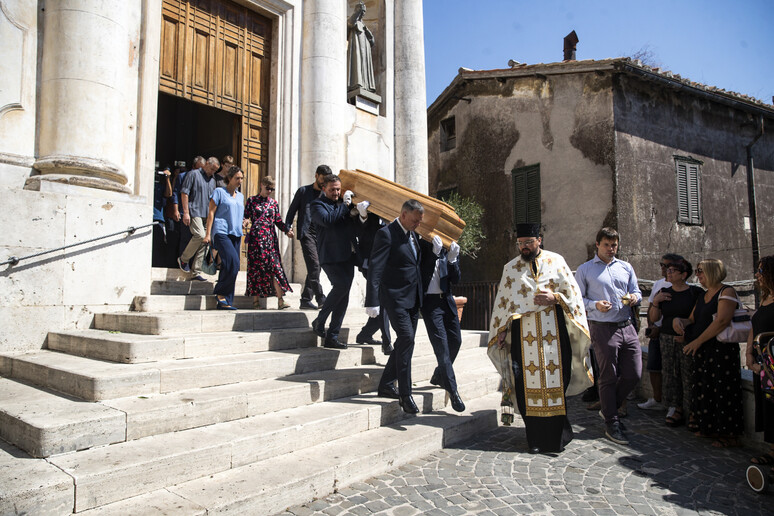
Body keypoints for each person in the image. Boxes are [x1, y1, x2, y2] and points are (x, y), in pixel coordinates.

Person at [487, 224, 592, 453]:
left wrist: (555, 297)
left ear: (539, 240)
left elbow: (573, 296)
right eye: (520, 243)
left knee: (558, 382)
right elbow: (503, 304)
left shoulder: (557, 261)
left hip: (554, 335)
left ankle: (557, 437)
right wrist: (501, 330)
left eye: (528, 242)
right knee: (525, 388)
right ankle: (534, 439)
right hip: (523, 336)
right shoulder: (511, 269)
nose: (524, 247)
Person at [575, 227, 642, 445]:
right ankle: (612, 422)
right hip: (602, 327)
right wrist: (595, 305)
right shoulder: (585, 270)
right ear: (597, 245)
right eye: (606, 244)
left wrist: (633, 297)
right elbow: (577, 300)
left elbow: (638, 292)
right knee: (608, 375)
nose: (611, 249)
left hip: (627, 325)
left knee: (634, 374)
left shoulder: (626, 267)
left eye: (614, 245)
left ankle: (608, 407)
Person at [674, 258, 743, 447]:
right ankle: (709, 427)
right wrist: (680, 322)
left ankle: (728, 434)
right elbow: (692, 318)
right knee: (705, 389)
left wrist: (698, 341)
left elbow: (721, 321)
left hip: (720, 350)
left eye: (701, 271)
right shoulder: (703, 296)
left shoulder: (726, 291)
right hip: (704, 350)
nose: (698, 275)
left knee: (723, 391)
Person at [366, 200, 425, 415]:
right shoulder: (386, 234)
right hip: (394, 298)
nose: (419, 223)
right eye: (416, 219)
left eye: (420, 220)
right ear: (404, 214)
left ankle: (385, 384)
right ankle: (405, 394)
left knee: (404, 341)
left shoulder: (412, 235)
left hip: (412, 299)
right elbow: (375, 268)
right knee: (407, 339)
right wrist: (372, 300)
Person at [648, 259, 702, 428]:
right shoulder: (664, 292)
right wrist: (656, 302)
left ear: (684, 275)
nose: (668, 273)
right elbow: (654, 318)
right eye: (668, 270)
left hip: (687, 339)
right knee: (671, 373)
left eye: (673, 270)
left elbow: (700, 317)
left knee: (689, 373)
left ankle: (693, 410)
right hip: (667, 338)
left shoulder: (695, 293)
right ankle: (676, 408)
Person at [310, 174, 360, 349]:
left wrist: (359, 214)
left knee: (344, 295)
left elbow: (351, 226)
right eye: (332, 189)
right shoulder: (316, 205)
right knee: (340, 287)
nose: (336, 193)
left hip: (347, 255)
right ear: (324, 188)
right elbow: (328, 221)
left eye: (338, 189)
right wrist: (346, 206)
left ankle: (332, 336)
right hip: (330, 255)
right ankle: (319, 320)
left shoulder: (342, 204)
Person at [419, 235, 465, 413]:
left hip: (447, 301)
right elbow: (422, 274)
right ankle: (453, 391)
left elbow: (456, 279)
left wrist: (453, 259)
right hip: (430, 304)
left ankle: (439, 375)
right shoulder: (423, 246)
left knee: (456, 341)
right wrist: (433, 254)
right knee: (442, 348)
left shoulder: (446, 249)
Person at [639, 253, 685, 411]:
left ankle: (674, 404)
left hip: (670, 333)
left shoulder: (686, 290)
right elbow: (652, 305)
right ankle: (657, 398)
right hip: (656, 333)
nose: (664, 269)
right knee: (653, 366)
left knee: (672, 370)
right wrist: (651, 326)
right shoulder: (658, 284)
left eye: (668, 266)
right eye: (663, 265)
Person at [244, 176, 294, 310]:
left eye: (272, 189)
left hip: (270, 240)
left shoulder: (273, 203)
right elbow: (246, 216)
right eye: (268, 188)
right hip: (256, 240)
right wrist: (246, 221)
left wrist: (287, 230)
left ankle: (280, 300)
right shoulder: (252, 201)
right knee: (256, 269)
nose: (270, 191)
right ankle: (255, 301)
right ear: (261, 185)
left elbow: (278, 221)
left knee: (275, 267)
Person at [285, 165, 329, 310]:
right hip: (307, 234)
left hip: (322, 236)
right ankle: (321, 298)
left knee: (315, 267)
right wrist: (288, 226)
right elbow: (292, 211)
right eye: (322, 179)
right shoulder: (303, 191)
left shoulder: (326, 194)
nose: (324, 182)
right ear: (316, 176)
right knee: (315, 265)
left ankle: (305, 299)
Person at [202, 166, 244, 310]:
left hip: (236, 233)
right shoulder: (219, 192)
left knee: (232, 266)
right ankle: (220, 293)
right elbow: (211, 213)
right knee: (232, 262)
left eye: (241, 178)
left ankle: (225, 301)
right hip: (221, 232)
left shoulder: (240, 196)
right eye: (237, 178)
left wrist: (244, 221)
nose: (240, 181)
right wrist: (208, 234)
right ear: (229, 178)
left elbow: (237, 213)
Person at [354, 208, 393, 355]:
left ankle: (365, 334)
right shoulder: (371, 216)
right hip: (370, 264)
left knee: (385, 302)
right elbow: (359, 232)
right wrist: (363, 215)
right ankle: (387, 342)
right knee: (383, 302)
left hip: (389, 266)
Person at [747, 255, 774, 464]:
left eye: (761, 271)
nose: (757, 275)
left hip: (772, 360)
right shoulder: (765, 298)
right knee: (768, 406)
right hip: (763, 362)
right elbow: (754, 327)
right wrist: (749, 354)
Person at [179, 156, 219, 280]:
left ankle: (196, 271)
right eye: (212, 169)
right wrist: (186, 212)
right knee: (200, 235)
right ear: (206, 163)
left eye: (215, 170)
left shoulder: (213, 180)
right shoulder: (193, 174)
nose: (213, 172)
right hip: (194, 211)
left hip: (207, 214)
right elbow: (184, 193)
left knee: (206, 241)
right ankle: (184, 259)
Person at [347, 1, 376, 92]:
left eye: (364, 12)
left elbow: (372, 41)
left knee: (364, 66)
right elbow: (351, 23)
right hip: (357, 47)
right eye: (362, 11)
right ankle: (356, 84)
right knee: (357, 64)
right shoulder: (352, 20)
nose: (363, 14)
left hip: (365, 50)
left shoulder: (364, 26)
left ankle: (366, 86)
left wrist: (367, 32)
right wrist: (357, 13)